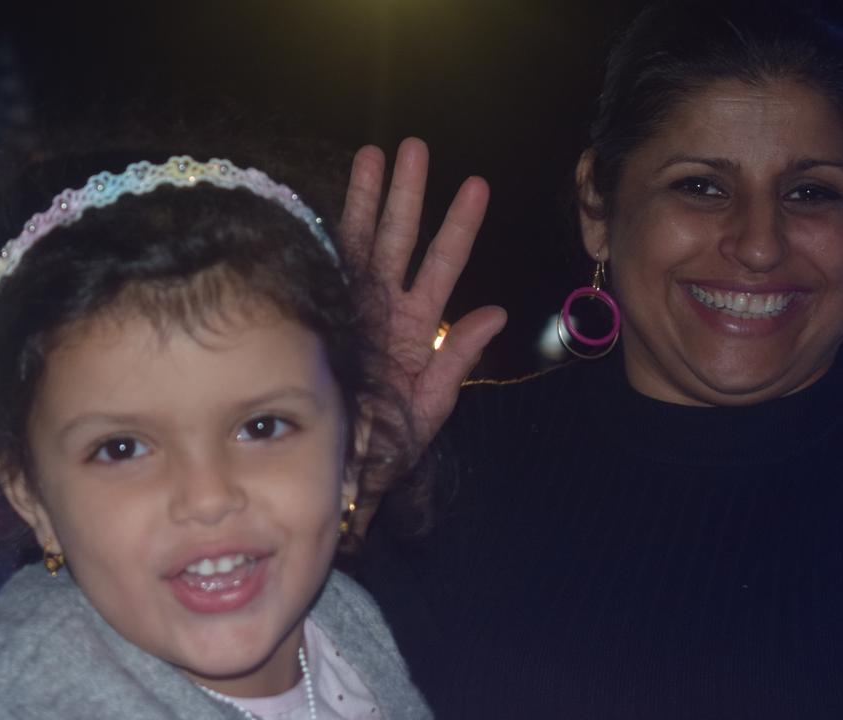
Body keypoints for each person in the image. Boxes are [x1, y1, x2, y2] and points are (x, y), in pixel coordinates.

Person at [348, 1, 843, 717]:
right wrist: (330, 496)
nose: (760, 244)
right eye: (700, 186)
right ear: (596, 208)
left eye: (811, 192)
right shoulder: (434, 468)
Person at [0, 155, 435, 719]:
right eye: (122, 448)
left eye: (262, 427)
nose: (208, 496)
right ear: (30, 494)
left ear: (352, 450)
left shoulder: (343, 619)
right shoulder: (23, 702)